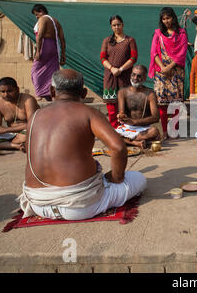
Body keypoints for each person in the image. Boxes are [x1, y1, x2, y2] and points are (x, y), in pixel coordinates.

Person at [17, 69, 147, 221]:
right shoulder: (88, 112)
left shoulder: (34, 117)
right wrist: (116, 177)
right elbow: (118, 147)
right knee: (139, 178)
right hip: (80, 206)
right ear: (84, 93)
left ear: (52, 91)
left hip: (37, 204)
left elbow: (27, 149)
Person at [149, 7, 188, 140]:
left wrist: (169, 67)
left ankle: (174, 130)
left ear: (173, 18)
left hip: (176, 71)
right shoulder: (158, 34)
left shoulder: (181, 33)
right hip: (161, 73)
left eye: (168, 18)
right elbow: (153, 52)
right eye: (163, 19)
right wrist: (162, 67)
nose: (166, 21)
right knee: (162, 103)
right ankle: (165, 131)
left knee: (175, 103)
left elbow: (182, 52)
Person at [100, 15, 138, 128]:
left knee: (125, 105)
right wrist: (112, 68)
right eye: (114, 25)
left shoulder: (130, 40)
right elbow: (102, 58)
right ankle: (115, 130)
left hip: (125, 75)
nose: (117, 27)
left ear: (123, 25)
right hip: (110, 76)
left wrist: (121, 69)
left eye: (118, 24)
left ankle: (126, 130)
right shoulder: (107, 41)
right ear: (111, 27)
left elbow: (133, 58)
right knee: (111, 108)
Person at [116, 64, 160, 149]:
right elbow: (121, 113)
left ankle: (128, 141)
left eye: (139, 76)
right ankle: (136, 143)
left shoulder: (150, 94)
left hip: (143, 129)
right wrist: (121, 117)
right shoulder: (122, 92)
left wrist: (135, 122)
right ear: (130, 75)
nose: (135, 78)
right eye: (133, 75)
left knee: (154, 131)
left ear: (144, 78)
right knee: (109, 132)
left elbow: (156, 117)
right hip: (127, 128)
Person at [31, 4, 66, 101]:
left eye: (36, 14)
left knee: (35, 70)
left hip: (44, 45)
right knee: (52, 70)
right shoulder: (56, 21)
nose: (36, 17)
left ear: (41, 11)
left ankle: (39, 93)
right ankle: (50, 93)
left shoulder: (43, 19)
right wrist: (63, 54)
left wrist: (38, 51)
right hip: (54, 47)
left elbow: (40, 35)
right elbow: (62, 39)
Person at [0, 77, 39, 151]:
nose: (6, 94)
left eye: (9, 91)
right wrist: (3, 130)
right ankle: (16, 146)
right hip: (11, 135)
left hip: (26, 132)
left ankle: (5, 145)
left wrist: (6, 130)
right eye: (2, 92)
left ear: (17, 89)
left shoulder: (28, 100)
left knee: (29, 134)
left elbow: (31, 124)